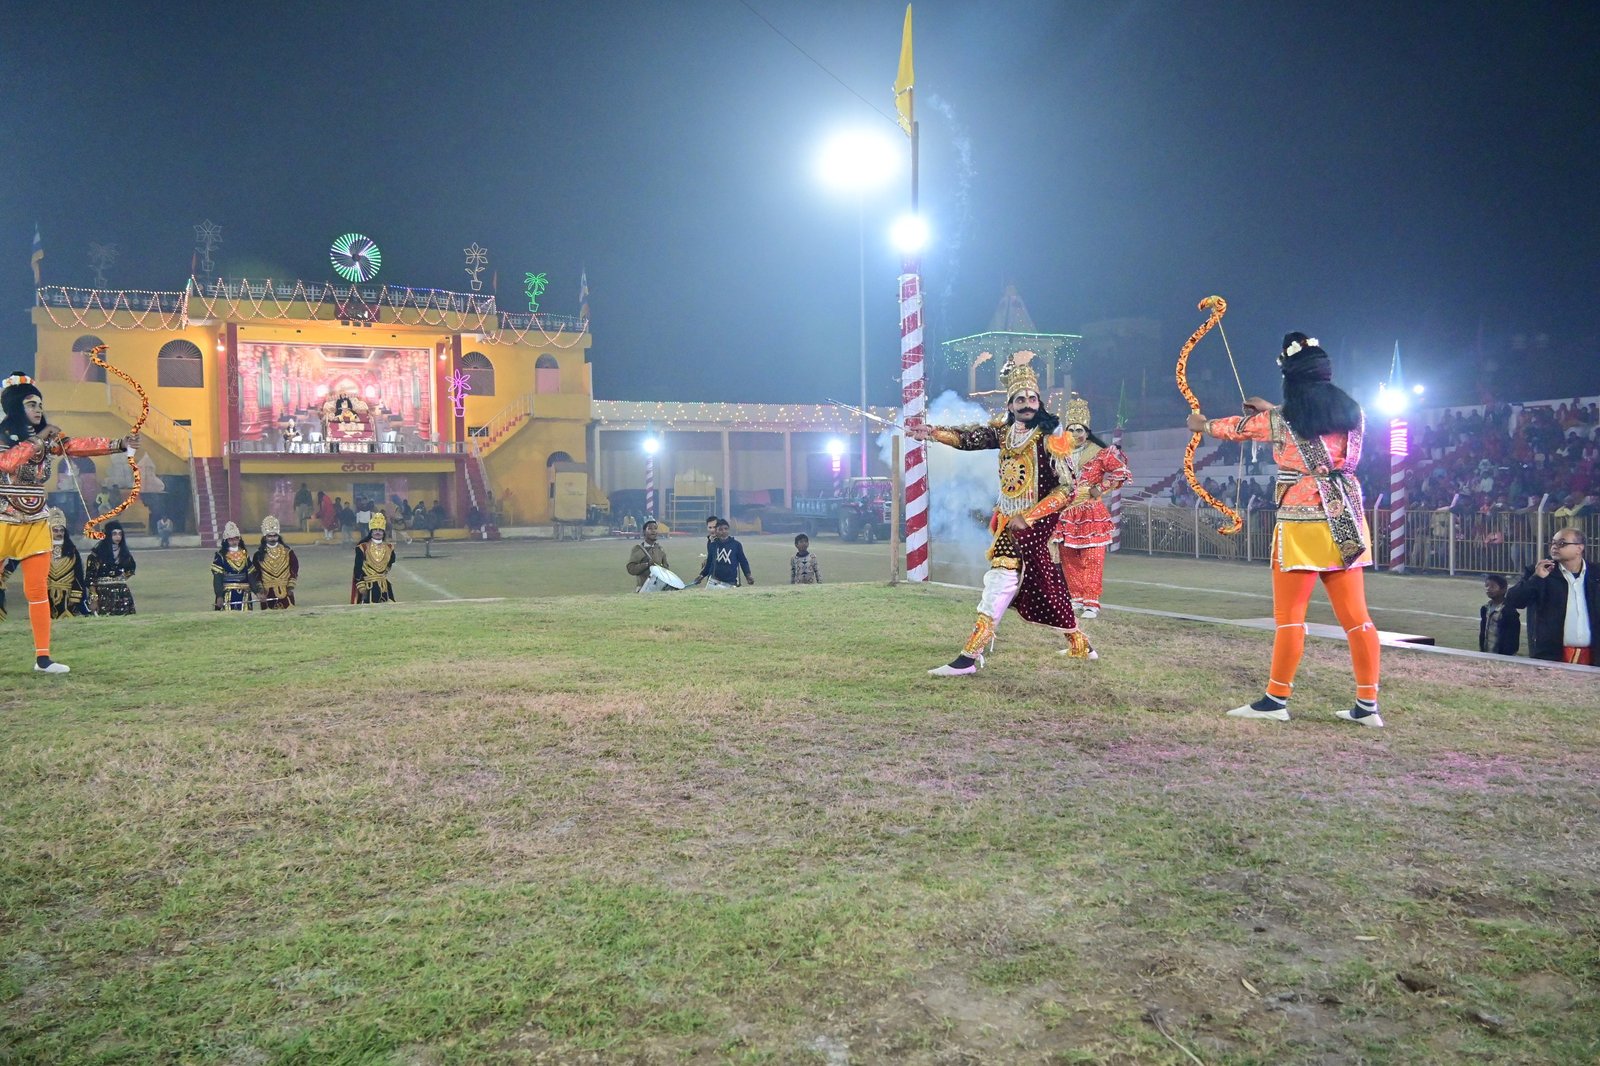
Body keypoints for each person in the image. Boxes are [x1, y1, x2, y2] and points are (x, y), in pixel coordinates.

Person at [1188, 332, 1382, 726]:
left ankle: (1276, 699)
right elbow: (1313, 424)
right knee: (1357, 618)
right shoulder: (1354, 410)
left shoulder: (1281, 419)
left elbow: (1239, 428)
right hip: (1346, 517)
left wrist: (1203, 424)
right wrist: (1271, 409)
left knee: (1290, 616)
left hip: (1301, 524)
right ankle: (1367, 706)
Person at [905, 358, 1094, 676]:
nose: (1027, 404)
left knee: (999, 579)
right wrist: (933, 433)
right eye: (1020, 399)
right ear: (1010, 405)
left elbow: (1067, 490)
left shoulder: (1051, 437)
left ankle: (968, 657)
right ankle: (1079, 643)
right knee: (1046, 584)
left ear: (1039, 402)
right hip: (1008, 518)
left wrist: (1030, 516)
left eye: (1032, 398)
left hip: (1034, 522)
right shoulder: (1005, 433)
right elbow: (970, 438)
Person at [1, 372, 137, 673]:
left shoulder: (48, 437)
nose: (38, 409)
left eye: (40, 404)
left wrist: (119, 444)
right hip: (1, 521)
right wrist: (40, 438)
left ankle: (43, 659)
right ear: (14, 406)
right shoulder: (6, 435)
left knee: (37, 591)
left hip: (36, 522)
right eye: (31, 404)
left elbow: (77, 445)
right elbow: (7, 463)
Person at [1049, 393, 1131, 620]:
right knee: (1069, 557)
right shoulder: (1059, 454)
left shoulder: (1099, 452)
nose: (1076, 434)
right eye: (1071, 430)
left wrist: (1101, 488)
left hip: (1091, 512)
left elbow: (1121, 471)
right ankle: (1076, 598)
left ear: (1087, 432)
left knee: (1093, 558)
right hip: (1065, 512)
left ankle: (1091, 602)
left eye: (1080, 430)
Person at [1505, 527, 1599, 664]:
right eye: (1553, 543)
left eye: (1562, 543)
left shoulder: (1596, 574)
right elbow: (1514, 600)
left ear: (1579, 548)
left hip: (1594, 657)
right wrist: (1536, 578)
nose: (1555, 547)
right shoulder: (1539, 571)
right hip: (1551, 655)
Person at [85, 520, 137, 615]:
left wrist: (121, 579)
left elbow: (131, 568)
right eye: (114, 534)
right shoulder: (97, 554)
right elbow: (90, 578)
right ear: (108, 535)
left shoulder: (125, 553)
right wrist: (94, 598)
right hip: (103, 594)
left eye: (120, 534)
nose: (118, 537)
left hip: (122, 594)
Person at [253, 515, 299, 609]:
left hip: (286, 590)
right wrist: (260, 590)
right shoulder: (258, 555)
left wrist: (290, 586)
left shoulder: (288, 552)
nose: (272, 538)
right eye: (270, 536)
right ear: (265, 537)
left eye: (275, 536)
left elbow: (294, 568)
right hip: (267, 593)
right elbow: (256, 574)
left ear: (278, 536)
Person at [693, 519, 753, 588]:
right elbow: (709, 563)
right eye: (720, 529)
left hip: (731, 582)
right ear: (716, 531)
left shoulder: (736, 545)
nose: (724, 531)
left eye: (726, 529)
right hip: (714, 581)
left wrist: (748, 576)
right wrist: (701, 576)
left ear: (729, 530)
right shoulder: (713, 545)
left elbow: (743, 561)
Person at [352, 512, 397, 603]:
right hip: (368, 587)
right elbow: (357, 568)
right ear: (371, 532)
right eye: (375, 530)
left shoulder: (389, 548)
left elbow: (391, 562)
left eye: (380, 530)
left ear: (383, 532)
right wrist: (361, 585)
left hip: (384, 586)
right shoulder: (362, 547)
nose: (377, 532)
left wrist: (383, 573)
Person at [211, 521, 255, 611]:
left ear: (239, 539)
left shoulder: (245, 554)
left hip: (244, 593)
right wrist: (219, 595)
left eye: (236, 539)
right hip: (227, 593)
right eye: (231, 539)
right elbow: (218, 578)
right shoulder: (220, 556)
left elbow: (251, 575)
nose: (234, 541)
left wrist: (258, 591)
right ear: (226, 540)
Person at [1478, 574, 1521, 656]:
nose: (1488, 588)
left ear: (1503, 589)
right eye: (1486, 586)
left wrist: (1508, 653)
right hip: (1487, 652)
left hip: (1503, 654)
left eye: (1493, 586)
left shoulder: (1508, 611)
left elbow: (1513, 636)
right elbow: (1483, 631)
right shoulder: (1485, 608)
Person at [626, 519, 670, 589]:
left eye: (655, 528)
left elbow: (666, 569)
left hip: (659, 589)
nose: (653, 531)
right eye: (650, 529)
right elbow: (631, 569)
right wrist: (647, 564)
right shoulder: (638, 549)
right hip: (643, 589)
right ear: (644, 532)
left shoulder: (660, 549)